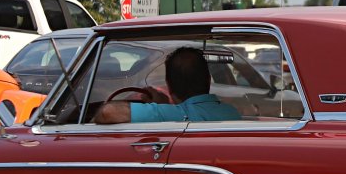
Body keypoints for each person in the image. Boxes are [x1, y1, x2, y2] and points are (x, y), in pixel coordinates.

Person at [95, 46, 240, 123]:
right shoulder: (232, 113)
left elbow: (106, 112)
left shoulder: (168, 114)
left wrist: (160, 106)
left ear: (169, 86)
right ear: (208, 79)